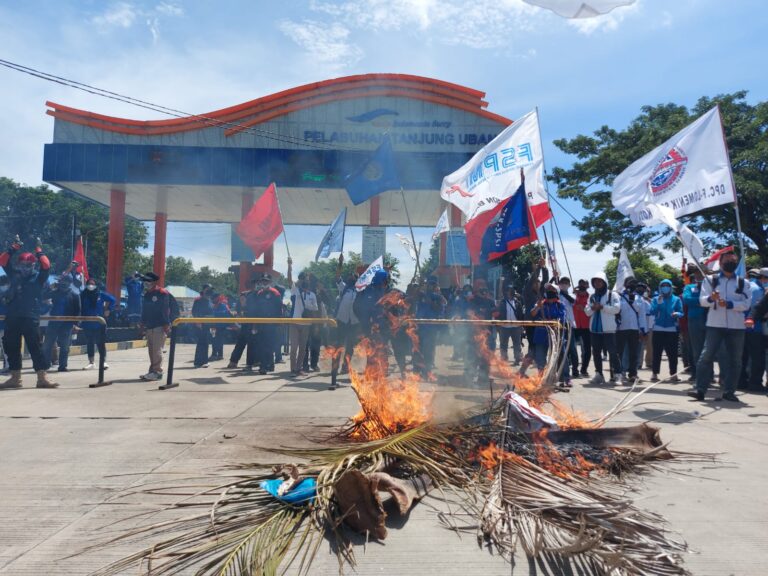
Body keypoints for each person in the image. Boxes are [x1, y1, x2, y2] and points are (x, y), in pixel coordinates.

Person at [690, 250, 751, 402]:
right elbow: (703, 301)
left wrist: (730, 304)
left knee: (735, 360)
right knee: (706, 356)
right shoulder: (711, 280)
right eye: (727, 260)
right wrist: (712, 298)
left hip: (736, 326)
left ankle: (729, 391)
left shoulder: (743, 282)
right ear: (721, 262)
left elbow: (746, 304)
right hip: (715, 324)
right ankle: (700, 390)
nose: (730, 262)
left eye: (733, 260)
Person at [0, 236, 58, 389]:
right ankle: (15, 378)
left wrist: (39, 250)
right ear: (18, 264)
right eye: (23, 264)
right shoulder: (14, 275)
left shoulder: (39, 277)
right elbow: (3, 260)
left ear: (33, 265)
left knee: (35, 348)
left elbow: (46, 265)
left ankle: (42, 378)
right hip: (13, 316)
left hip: (30, 317)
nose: (25, 267)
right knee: (11, 347)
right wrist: (14, 247)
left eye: (29, 264)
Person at [584, 272, 621, 385]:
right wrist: (594, 308)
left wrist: (602, 307)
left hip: (608, 329)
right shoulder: (592, 296)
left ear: (604, 282)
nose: (597, 283)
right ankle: (599, 374)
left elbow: (617, 309)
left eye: (599, 281)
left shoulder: (612, 295)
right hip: (595, 329)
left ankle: (618, 375)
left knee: (613, 353)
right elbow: (587, 312)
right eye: (595, 281)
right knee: (596, 353)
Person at [42, 275, 81, 372]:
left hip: (66, 325)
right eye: (62, 281)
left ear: (70, 283)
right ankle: (45, 365)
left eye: (65, 281)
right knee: (47, 345)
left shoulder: (75, 295)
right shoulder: (54, 293)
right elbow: (42, 296)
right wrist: (51, 287)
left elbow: (78, 311)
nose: (63, 283)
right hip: (53, 323)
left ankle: (63, 366)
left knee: (64, 346)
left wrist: (76, 324)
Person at [287, 258, 318, 376]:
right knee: (294, 347)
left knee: (303, 348)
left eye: (306, 278)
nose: (304, 280)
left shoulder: (312, 295)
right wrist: (289, 266)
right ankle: (293, 369)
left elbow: (315, 309)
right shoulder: (296, 291)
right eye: (302, 278)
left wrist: (315, 325)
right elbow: (289, 280)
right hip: (295, 323)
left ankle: (299, 368)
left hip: (306, 324)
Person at [245, 274, 282, 374]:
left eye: (266, 281)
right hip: (261, 323)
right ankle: (264, 366)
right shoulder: (259, 293)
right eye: (263, 281)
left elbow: (279, 309)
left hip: (271, 323)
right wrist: (255, 324)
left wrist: (278, 323)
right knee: (262, 345)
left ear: (270, 282)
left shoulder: (275, 293)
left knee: (269, 345)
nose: (264, 283)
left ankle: (269, 365)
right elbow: (256, 310)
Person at [330, 255, 359, 385]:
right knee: (338, 346)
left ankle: (345, 366)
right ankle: (334, 369)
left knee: (350, 347)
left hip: (354, 323)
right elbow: (337, 277)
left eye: (355, 276)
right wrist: (340, 263)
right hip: (341, 321)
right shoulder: (344, 288)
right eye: (351, 276)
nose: (352, 277)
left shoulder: (360, 290)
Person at [138, 272, 171, 381]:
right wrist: (142, 323)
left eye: (148, 281)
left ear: (153, 281)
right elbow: (145, 311)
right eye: (145, 281)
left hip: (160, 326)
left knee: (157, 351)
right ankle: (152, 371)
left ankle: (157, 372)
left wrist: (166, 324)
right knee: (151, 351)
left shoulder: (162, 292)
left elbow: (165, 310)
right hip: (150, 326)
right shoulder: (147, 294)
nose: (146, 283)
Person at [649, 279, 684, 382]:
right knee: (657, 353)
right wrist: (659, 304)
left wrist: (677, 314)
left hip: (671, 329)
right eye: (663, 285)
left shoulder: (676, 299)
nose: (665, 287)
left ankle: (674, 374)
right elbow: (652, 312)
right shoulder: (655, 299)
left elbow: (681, 312)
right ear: (660, 287)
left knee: (672, 353)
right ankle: (654, 374)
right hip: (658, 328)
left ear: (670, 287)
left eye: (667, 285)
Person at [616, 276, 647, 384]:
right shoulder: (618, 297)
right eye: (629, 283)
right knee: (619, 352)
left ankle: (633, 374)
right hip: (621, 328)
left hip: (634, 328)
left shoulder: (639, 298)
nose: (631, 284)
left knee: (634, 353)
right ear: (625, 284)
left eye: (633, 283)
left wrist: (643, 330)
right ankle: (618, 373)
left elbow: (642, 315)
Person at [414, 277, 447, 379]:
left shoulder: (438, 298)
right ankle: (417, 370)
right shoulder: (421, 295)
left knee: (428, 350)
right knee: (418, 349)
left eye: (432, 285)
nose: (430, 287)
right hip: (420, 327)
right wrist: (419, 286)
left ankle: (427, 371)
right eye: (429, 284)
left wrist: (432, 302)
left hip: (431, 329)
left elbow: (442, 308)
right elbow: (413, 296)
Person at [79, 278, 116, 370]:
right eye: (89, 284)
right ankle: (91, 362)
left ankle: (103, 362)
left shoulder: (100, 294)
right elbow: (78, 307)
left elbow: (113, 299)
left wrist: (108, 309)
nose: (90, 286)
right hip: (87, 323)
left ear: (95, 285)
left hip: (99, 323)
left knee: (101, 343)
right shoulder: (82, 295)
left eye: (92, 284)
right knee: (89, 343)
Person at [739, 269, 766, 391]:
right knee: (757, 357)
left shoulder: (752, 287)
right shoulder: (757, 290)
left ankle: (742, 382)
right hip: (755, 328)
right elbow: (757, 309)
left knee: (744, 356)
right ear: (763, 278)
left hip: (748, 327)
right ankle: (755, 383)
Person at [465, 281, 495, 385]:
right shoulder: (473, 301)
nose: (484, 293)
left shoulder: (490, 302)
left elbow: (496, 313)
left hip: (487, 333)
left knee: (486, 356)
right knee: (473, 356)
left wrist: (496, 309)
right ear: (478, 292)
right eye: (482, 291)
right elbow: (469, 314)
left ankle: (484, 377)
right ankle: (470, 377)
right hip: (475, 333)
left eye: (485, 291)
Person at [682, 267, 708, 382]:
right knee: (696, 350)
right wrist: (703, 301)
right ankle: (698, 375)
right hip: (694, 321)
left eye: (700, 272)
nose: (698, 275)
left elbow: (714, 299)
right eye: (696, 272)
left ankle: (710, 375)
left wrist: (700, 301)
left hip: (709, 319)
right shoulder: (689, 287)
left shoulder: (710, 286)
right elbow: (687, 299)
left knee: (710, 350)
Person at [557, 277, 579, 379]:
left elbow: (573, 301)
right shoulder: (557, 294)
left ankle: (575, 369)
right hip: (559, 324)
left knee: (572, 348)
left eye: (566, 283)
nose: (564, 284)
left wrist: (563, 292)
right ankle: (561, 369)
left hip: (569, 324)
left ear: (569, 285)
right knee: (561, 348)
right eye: (562, 283)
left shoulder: (571, 295)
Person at [497, 283, 523, 365]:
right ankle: (504, 359)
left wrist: (521, 325)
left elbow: (521, 314)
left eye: (513, 290)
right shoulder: (502, 302)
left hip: (516, 326)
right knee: (504, 344)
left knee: (517, 344)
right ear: (506, 292)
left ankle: (517, 359)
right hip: (504, 326)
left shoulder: (518, 302)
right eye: (510, 290)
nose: (511, 292)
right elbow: (498, 313)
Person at [572, 279, 592, 377]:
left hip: (586, 326)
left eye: (584, 285)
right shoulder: (573, 297)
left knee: (587, 350)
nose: (582, 287)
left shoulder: (590, 298)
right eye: (580, 285)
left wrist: (583, 308)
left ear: (588, 286)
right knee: (572, 349)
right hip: (575, 326)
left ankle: (584, 369)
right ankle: (574, 368)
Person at [191, 284, 213, 368]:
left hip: (208, 324)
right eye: (208, 289)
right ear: (203, 290)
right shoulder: (198, 300)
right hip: (200, 324)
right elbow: (194, 312)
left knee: (206, 342)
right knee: (201, 342)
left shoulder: (209, 300)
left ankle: (203, 361)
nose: (209, 290)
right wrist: (198, 322)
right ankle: (199, 361)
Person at [211, 294, 233, 362]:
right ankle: (214, 354)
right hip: (213, 326)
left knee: (220, 341)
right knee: (213, 340)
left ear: (217, 299)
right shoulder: (213, 306)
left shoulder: (223, 305)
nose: (213, 300)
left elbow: (225, 313)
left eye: (214, 298)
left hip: (221, 326)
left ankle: (220, 355)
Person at [0, 275, 9, 373]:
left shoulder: (10, 294)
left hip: (6, 324)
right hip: (4, 324)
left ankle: (9, 366)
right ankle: (8, 365)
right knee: (5, 347)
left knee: (6, 346)